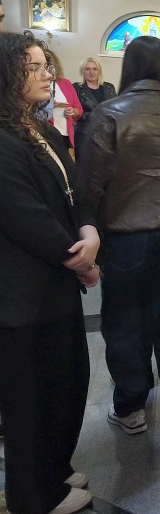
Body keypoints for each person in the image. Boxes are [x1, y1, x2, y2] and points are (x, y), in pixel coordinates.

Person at [0, 31, 101, 514]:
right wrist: (75, 257)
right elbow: (22, 214)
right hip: (23, 294)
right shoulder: (3, 139)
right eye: (35, 67)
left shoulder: (39, 129)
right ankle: (34, 495)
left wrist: (89, 230)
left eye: (47, 65)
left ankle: (53, 468)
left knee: (66, 383)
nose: (47, 75)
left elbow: (75, 189)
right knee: (31, 400)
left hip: (56, 281)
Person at [77, 36, 160, 453]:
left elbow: (90, 186)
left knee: (126, 325)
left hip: (125, 240)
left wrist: (91, 232)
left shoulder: (108, 114)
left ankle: (130, 408)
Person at [43, 49, 84, 149]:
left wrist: (72, 111)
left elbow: (79, 109)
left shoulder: (66, 83)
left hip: (64, 133)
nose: (49, 65)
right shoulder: (38, 83)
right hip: (45, 132)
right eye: (45, 62)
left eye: (50, 62)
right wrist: (49, 105)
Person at [74, 56, 117, 140]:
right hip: (85, 134)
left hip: (107, 134)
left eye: (95, 69)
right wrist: (92, 115)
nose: (92, 72)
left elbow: (115, 108)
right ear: (82, 71)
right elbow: (74, 112)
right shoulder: (76, 88)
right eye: (87, 69)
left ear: (99, 71)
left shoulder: (109, 87)